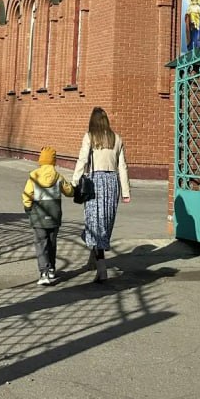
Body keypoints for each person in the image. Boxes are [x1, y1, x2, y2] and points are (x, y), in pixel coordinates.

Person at [71, 106, 131, 282]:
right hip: (112, 184)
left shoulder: (90, 137)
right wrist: (125, 191)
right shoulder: (116, 138)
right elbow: (122, 166)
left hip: (95, 184)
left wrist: (75, 181)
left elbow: (82, 160)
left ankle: (102, 269)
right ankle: (94, 258)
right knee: (103, 222)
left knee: (95, 223)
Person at [22, 145, 74, 286]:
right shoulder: (58, 177)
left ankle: (43, 272)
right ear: (53, 161)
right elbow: (69, 191)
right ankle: (51, 268)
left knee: (41, 244)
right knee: (52, 243)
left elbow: (27, 195)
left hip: (38, 216)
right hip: (54, 216)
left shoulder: (33, 176)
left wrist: (28, 207)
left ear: (41, 160)